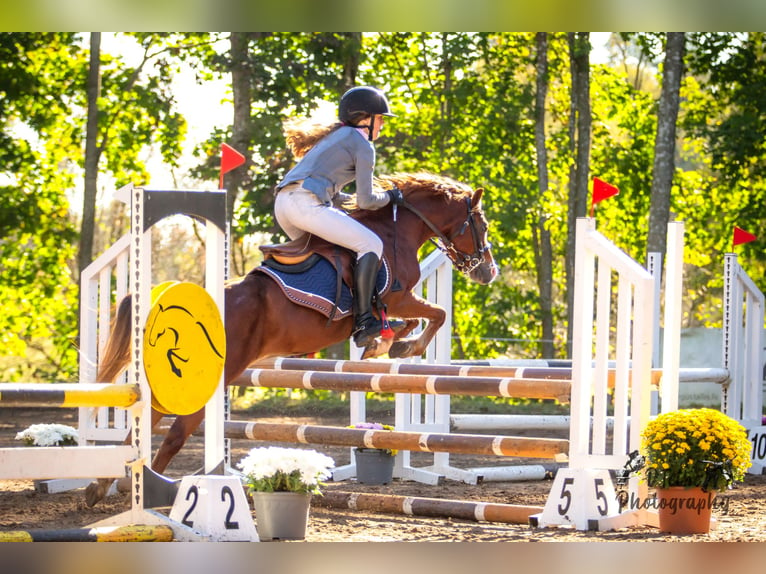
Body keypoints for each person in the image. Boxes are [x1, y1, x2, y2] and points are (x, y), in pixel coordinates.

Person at [274, 86, 404, 348]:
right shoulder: (362, 145)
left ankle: (328, 314)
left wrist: (355, 202)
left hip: (285, 206)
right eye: (380, 119)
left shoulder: (337, 137)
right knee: (371, 244)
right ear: (365, 118)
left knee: (336, 255)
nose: (382, 126)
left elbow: (338, 198)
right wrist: (391, 196)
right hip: (305, 204)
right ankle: (365, 321)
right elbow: (368, 201)